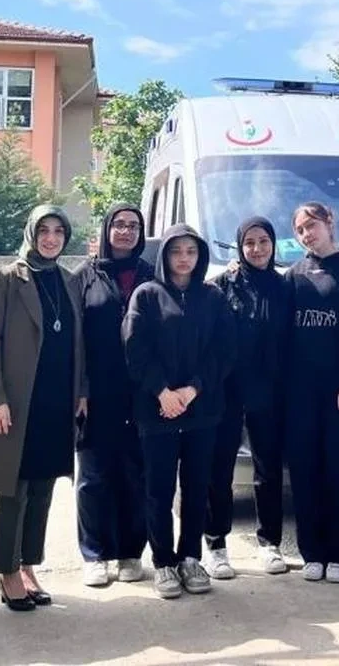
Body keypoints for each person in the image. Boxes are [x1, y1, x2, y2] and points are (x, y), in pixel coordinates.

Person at [0, 206, 87, 612]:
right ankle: (7, 571)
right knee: (16, 487)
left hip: (58, 398)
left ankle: (28, 566)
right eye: (44, 230)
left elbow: (78, 340)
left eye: (58, 231)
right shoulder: (10, 277)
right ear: (32, 233)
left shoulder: (69, 280)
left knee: (43, 487)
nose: (51, 238)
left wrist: (82, 391)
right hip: (21, 399)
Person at [122, 224, 234, 599]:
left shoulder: (213, 297)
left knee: (197, 487)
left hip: (202, 409)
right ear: (164, 255)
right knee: (159, 488)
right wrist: (162, 392)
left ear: (200, 256)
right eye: (176, 251)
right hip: (157, 411)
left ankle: (190, 558)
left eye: (191, 251)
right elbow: (135, 349)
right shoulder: (146, 295)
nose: (184, 258)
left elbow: (224, 351)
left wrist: (192, 389)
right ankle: (164, 563)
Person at [285, 203, 339, 583]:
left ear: (329, 223)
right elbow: (284, 333)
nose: (307, 234)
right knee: (305, 471)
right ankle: (312, 552)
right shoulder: (294, 274)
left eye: (312, 225)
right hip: (301, 391)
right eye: (300, 229)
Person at [74, 203, 156, 587]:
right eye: (119, 224)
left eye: (133, 226)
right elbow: (74, 339)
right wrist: (80, 388)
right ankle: (95, 553)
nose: (125, 231)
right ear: (107, 229)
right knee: (94, 475)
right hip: (96, 392)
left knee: (135, 473)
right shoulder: (84, 276)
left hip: (141, 392)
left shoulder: (151, 274)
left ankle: (130, 552)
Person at [205, 217, 291, 578]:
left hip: (268, 390)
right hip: (225, 389)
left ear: (273, 244)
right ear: (240, 246)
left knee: (267, 468)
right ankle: (216, 545)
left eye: (263, 241)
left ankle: (270, 543)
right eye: (250, 242)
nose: (257, 249)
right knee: (219, 467)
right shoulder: (222, 285)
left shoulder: (284, 287)